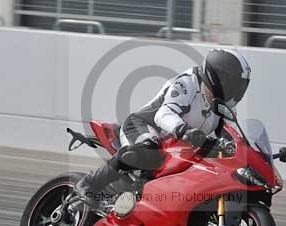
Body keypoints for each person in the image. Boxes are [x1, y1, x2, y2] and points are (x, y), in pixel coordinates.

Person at [75, 48, 251, 210]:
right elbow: (163, 114)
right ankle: (89, 184)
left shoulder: (224, 107)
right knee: (148, 148)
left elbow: (233, 135)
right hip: (143, 126)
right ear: (217, 76)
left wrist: (248, 153)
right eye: (233, 83)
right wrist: (184, 130)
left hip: (176, 144)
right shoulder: (187, 84)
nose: (236, 90)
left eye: (240, 85)